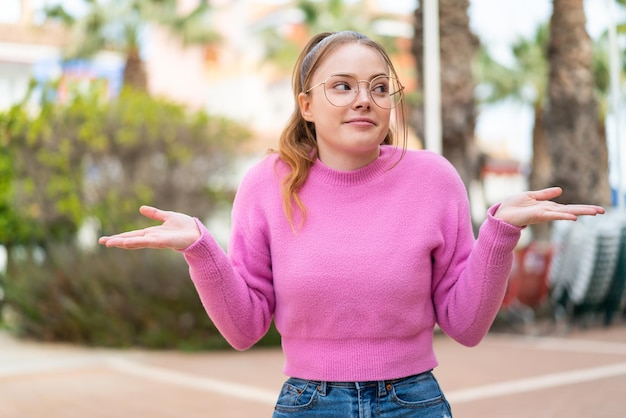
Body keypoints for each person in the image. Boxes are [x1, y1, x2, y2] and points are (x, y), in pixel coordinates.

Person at [99, 31, 605, 417]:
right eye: (342, 86)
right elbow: (244, 328)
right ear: (307, 106)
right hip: (307, 403)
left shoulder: (434, 179)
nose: (363, 98)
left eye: (379, 87)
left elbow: (466, 326)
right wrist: (201, 249)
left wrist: (500, 234)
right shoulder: (266, 184)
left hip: (415, 401)